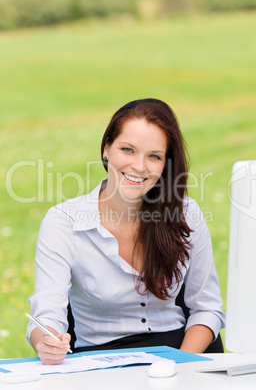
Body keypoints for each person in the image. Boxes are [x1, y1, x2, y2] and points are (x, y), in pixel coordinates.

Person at [26, 98, 225, 365]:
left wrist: (177, 367)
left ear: (166, 164)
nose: (139, 166)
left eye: (154, 156)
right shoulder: (63, 223)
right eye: (128, 150)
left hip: (181, 354)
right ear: (107, 148)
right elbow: (46, 318)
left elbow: (206, 309)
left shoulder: (185, 214)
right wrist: (46, 342)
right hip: (100, 362)